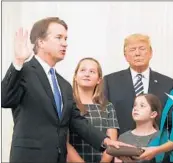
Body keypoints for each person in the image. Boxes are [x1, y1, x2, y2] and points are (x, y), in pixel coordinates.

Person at [1, 17, 128, 163]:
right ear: (41, 42)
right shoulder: (24, 71)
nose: (65, 43)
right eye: (59, 37)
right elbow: (5, 98)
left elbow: (77, 121)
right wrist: (18, 61)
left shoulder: (64, 84)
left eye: (66, 38)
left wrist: (106, 141)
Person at [104, 33, 173, 134]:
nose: (137, 53)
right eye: (132, 50)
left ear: (151, 53)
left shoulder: (168, 83)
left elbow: (171, 121)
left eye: (142, 49)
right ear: (125, 56)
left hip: (157, 144)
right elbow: (105, 117)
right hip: (121, 143)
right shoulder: (109, 81)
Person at [67, 58, 120, 163]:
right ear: (75, 77)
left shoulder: (108, 106)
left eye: (92, 71)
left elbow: (112, 142)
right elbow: (64, 142)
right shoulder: (67, 104)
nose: (87, 74)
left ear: (99, 80)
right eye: (83, 70)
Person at [115, 94, 161, 163]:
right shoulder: (123, 138)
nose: (135, 108)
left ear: (153, 114)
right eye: (134, 105)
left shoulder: (161, 138)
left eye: (142, 106)